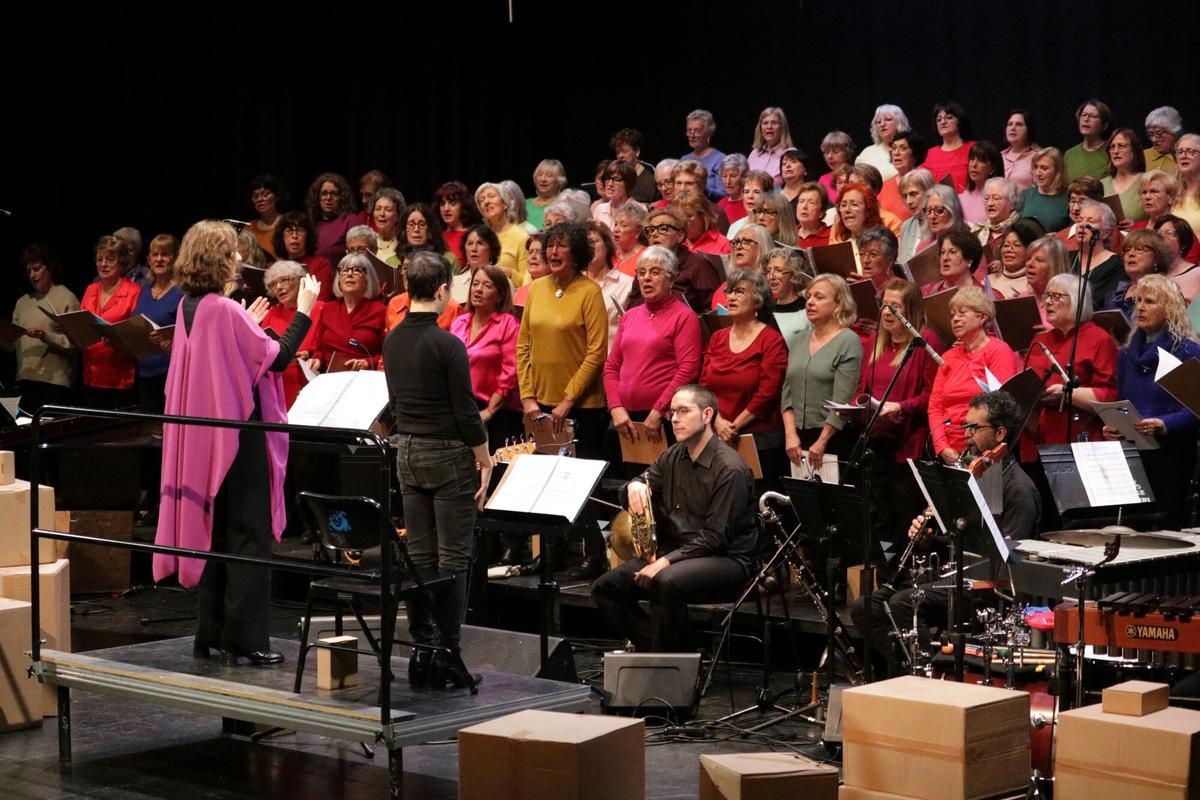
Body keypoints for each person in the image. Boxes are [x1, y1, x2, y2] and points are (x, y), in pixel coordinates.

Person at [154, 220, 319, 666]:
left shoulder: (195, 304)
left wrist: (249, 324)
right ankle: (246, 640)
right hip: (237, 437)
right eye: (231, 253)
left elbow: (227, 358)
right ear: (217, 260)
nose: (237, 260)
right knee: (248, 537)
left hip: (207, 439)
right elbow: (278, 359)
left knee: (217, 534)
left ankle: (211, 635)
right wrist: (304, 310)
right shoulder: (223, 310)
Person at [852, 390, 1040, 675]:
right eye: (966, 426)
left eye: (975, 428)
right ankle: (911, 671)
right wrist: (927, 539)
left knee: (903, 604)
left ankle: (929, 675)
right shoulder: (974, 475)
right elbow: (955, 538)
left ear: (1001, 433)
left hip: (985, 592)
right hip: (954, 580)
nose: (966, 435)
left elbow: (1009, 565)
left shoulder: (1018, 489)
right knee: (867, 607)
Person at [382, 251, 490, 688]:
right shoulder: (449, 344)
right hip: (447, 454)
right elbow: (466, 411)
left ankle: (422, 651)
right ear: (443, 291)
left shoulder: (392, 339)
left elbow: (394, 402)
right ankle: (448, 653)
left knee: (421, 558)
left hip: (406, 451)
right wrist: (483, 459)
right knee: (454, 560)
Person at [591, 384, 755, 652]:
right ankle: (676, 653)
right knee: (606, 588)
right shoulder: (674, 455)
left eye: (683, 411)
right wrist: (633, 486)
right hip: (679, 552)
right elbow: (642, 481)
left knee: (666, 581)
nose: (675, 419)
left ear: (707, 415)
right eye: (672, 412)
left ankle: (667, 658)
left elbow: (715, 538)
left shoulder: (730, 469)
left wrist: (665, 562)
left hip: (726, 560)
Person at [517, 222, 609, 578]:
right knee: (547, 484)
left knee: (580, 485)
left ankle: (593, 554)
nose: (552, 252)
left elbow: (596, 352)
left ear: (577, 253)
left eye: (561, 246)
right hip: (539, 407)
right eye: (549, 246)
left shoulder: (589, 292)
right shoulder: (537, 289)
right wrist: (528, 397)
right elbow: (523, 346)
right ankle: (551, 554)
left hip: (580, 409)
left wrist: (568, 400)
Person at [1105, 274, 1200, 527]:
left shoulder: (1188, 351)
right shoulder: (1126, 354)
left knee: (1166, 526)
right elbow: (1121, 400)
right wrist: (1115, 424)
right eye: (1138, 301)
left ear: (1169, 309)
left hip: (1173, 454)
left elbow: (1196, 409)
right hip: (1135, 452)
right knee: (1131, 526)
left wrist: (1165, 423)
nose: (1140, 307)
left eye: (1150, 301)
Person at [857, 278, 941, 546]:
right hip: (876, 439)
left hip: (908, 444)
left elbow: (932, 394)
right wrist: (854, 406)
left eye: (895, 306)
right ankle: (885, 571)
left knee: (905, 515)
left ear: (910, 312)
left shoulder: (924, 341)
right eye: (884, 305)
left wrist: (901, 407)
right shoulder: (875, 341)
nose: (887, 312)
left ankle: (905, 579)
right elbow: (862, 388)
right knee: (880, 516)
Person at [604, 246, 702, 450]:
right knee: (629, 481)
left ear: (672, 280)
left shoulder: (684, 317)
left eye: (655, 272)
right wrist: (615, 407)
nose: (646, 278)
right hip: (625, 419)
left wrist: (658, 410)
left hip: (662, 419)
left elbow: (688, 370)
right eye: (641, 272)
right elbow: (612, 367)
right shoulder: (630, 315)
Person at [701, 269, 788, 483]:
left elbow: (768, 392)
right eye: (730, 292)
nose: (730, 297)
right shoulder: (718, 338)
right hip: (716, 433)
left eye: (739, 292)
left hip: (758, 438)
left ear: (757, 301)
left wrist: (734, 426)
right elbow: (704, 385)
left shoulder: (771, 340)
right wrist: (718, 422)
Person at [1023, 273, 1118, 463]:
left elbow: (1109, 396)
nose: (1048, 302)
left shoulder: (1098, 339)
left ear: (1077, 300)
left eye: (1056, 296)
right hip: (1036, 437)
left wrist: (1067, 393)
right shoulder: (1040, 340)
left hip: (1079, 437)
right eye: (1047, 296)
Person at [781, 273, 863, 471]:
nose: (810, 302)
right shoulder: (799, 340)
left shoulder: (848, 341)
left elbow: (842, 402)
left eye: (819, 297)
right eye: (809, 296)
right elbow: (787, 394)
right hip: (796, 440)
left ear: (838, 304)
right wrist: (790, 435)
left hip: (832, 438)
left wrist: (822, 441)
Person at [928, 289, 1019, 463]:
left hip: (983, 450)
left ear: (982, 316)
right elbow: (935, 407)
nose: (955, 319)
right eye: (952, 315)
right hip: (949, 449)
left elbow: (1000, 409)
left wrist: (974, 450)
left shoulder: (999, 352)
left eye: (962, 313)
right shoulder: (948, 357)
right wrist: (941, 447)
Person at [11, 244, 79, 412]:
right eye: (29, 271)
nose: (32, 275)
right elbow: (13, 343)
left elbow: (76, 344)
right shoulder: (22, 302)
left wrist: (45, 336)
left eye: (36, 269)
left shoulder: (66, 298)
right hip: (26, 379)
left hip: (54, 382)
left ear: (49, 268)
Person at [81, 235, 142, 408]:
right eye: (99, 259)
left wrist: (116, 339)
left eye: (110, 259)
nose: (103, 264)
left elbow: (136, 335)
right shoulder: (90, 289)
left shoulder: (134, 291)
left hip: (119, 376)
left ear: (122, 263)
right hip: (91, 373)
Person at [299, 253, 387, 372]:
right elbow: (319, 349)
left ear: (368, 279)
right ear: (338, 279)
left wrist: (368, 363)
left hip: (365, 377)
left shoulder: (380, 310)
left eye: (357, 270)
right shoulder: (328, 308)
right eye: (344, 270)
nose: (349, 274)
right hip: (330, 377)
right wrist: (317, 360)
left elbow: (389, 354)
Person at [635, 207, 723, 310]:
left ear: (680, 236)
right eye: (650, 230)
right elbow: (633, 303)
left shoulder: (698, 265)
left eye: (663, 228)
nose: (654, 234)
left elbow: (716, 309)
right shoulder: (644, 266)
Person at [134, 234, 184, 412]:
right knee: (148, 431)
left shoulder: (183, 291)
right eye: (155, 255)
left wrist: (172, 341)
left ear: (176, 258)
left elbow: (192, 330)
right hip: (145, 371)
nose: (159, 259)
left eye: (165, 254)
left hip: (171, 372)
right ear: (148, 259)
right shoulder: (145, 290)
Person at [260, 260, 320, 408]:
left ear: (300, 281)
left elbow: (325, 347)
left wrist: (314, 355)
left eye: (284, 280)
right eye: (273, 284)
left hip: (309, 380)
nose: (279, 287)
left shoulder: (319, 308)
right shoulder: (271, 313)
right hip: (278, 384)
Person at [584, 222, 635, 350]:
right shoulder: (572, 283)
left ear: (607, 245)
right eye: (584, 243)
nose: (588, 247)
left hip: (610, 362)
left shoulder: (628, 284)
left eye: (593, 241)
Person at [1104, 228, 1171, 318]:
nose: (1131, 254)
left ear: (1157, 258)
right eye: (1127, 250)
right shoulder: (1112, 297)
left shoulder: (1167, 293)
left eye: (1139, 250)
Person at [1073, 200, 1127, 306]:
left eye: (1091, 221)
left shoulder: (1116, 265)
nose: (1082, 225)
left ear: (1106, 232)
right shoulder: (1065, 257)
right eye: (1079, 220)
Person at [475, 182, 530, 286]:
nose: (486, 202)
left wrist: (510, 274)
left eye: (491, 196)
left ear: (505, 204)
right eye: (481, 200)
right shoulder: (480, 237)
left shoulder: (522, 237)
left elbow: (527, 281)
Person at [273, 210, 335, 301]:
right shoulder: (278, 267)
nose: (294, 236)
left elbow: (322, 300)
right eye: (289, 231)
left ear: (307, 236)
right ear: (281, 237)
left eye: (299, 231)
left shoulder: (321, 264)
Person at [306, 172, 359, 267]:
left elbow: (359, 257)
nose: (328, 198)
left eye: (334, 194)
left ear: (342, 197)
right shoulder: (312, 223)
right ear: (317, 197)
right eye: (324, 193)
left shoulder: (351, 221)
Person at [921, 102, 975, 192]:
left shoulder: (974, 148)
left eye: (949, 118)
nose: (943, 122)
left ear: (960, 122)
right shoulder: (929, 154)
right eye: (939, 120)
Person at [766, 248, 812, 348]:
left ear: (794, 276)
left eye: (778, 270)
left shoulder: (809, 308)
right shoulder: (765, 311)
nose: (771, 276)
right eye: (769, 271)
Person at [974, 177, 1024, 268]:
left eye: (996, 198)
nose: (990, 203)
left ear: (1012, 203)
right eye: (986, 198)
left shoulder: (1020, 231)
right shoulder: (978, 231)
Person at [990, 218, 1046, 299]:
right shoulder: (988, 281)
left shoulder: (1033, 285)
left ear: (1029, 251)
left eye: (1016, 245)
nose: (1009, 250)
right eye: (1006, 245)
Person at [1019, 147, 1071, 233]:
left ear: (1057, 171)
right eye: (1035, 167)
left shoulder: (1067, 198)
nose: (1038, 173)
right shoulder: (1026, 195)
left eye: (1044, 168)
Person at [879, 130, 927, 221]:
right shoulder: (883, 187)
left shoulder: (926, 182)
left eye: (903, 148)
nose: (896, 153)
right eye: (894, 148)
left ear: (915, 154)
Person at [1102, 128, 1148, 223]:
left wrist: (1137, 227)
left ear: (1134, 151)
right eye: (1112, 147)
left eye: (1122, 146)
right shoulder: (1102, 185)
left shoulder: (1147, 181)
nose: (1115, 151)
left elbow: (1158, 219)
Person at [680, 109, 726, 200]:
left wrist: (702, 188)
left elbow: (724, 195)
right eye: (689, 130)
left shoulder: (720, 159)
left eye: (697, 130)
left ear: (709, 133)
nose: (692, 135)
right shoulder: (684, 159)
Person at [1152, 214, 1200, 301]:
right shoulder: (1151, 273)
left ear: (1184, 243)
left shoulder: (1197, 274)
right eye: (1158, 233)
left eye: (1169, 233)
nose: (1161, 236)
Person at [857, 104, 910, 181]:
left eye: (888, 119)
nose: (882, 124)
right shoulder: (866, 154)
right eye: (878, 122)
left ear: (899, 123)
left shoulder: (910, 149)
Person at [1065, 99, 1114, 181]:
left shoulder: (1112, 152)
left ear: (1104, 125)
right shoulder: (1069, 154)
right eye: (1083, 115)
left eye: (1093, 116)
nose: (1086, 119)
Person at [958, 141, 1005, 225]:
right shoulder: (961, 198)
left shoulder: (1001, 199)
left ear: (993, 168)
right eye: (972, 159)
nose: (974, 164)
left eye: (981, 160)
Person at [434, 180, 481, 261]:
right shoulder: (436, 237)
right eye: (442, 204)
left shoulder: (474, 236)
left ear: (463, 205)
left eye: (452, 203)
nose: (446, 209)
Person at [747, 106, 793, 185]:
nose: (769, 127)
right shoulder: (754, 154)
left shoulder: (791, 154)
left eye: (774, 123)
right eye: (765, 123)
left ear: (782, 127)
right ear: (760, 128)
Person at [609, 129, 657, 204]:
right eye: (618, 152)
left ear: (637, 151)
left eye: (625, 151)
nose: (620, 156)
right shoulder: (615, 175)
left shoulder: (651, 174)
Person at [896, 168, 935, 263]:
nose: (908, 201)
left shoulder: (940, 221)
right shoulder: (906, 226)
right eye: (905, 196)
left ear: (928, 191)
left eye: (913, 194)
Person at [246, 174, 287, 261]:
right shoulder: (248, 227)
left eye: (265, 194)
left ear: (277, 196)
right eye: (255, 196)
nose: (260, 199)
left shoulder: (288, 223)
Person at [1001, 109, 1040, 193]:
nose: (1013, 128)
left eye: (1019, 124)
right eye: (1010, 124)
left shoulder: (1039, 156)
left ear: (1029, 129)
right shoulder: (1000, 157)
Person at [527, 159, 567, 230]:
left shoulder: (565, 205)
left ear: (559, 181)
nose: (543, 179)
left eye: (549, 175)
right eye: (540, 174)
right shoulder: (524, 204)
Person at [370, 187, 406, 263]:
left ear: (398, 215)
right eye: (378, 209)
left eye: (388, 210)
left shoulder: (404, 243)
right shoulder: (368, 241)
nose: (382, 214)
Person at [818, 131, 856, 203]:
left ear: (847, 153)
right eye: (827, 152)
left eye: (835, 152)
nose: (829, 156)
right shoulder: (823, 180)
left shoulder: (857, 175)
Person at [612, 203, 648, 276]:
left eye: (623, 225)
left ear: (638, 231)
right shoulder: (611, 254)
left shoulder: (646, 257)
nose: (616, 229)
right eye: (616, 224)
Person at [1144, 106, 1183, 174]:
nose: (1154, 139)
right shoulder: (1142, 156)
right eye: (1150, 134)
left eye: (1159, 133)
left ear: (1174, 132)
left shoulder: (1184, 157)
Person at [795, 181, 833, 248]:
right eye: (801, 201)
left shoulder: (831, 236)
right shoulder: (789, 234)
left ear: (822, 211)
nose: (804, 206)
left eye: (811, 203)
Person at [717, 154, 750, 225]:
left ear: (744, 177)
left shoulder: (750, 203)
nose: (728, 181)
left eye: (733, 176)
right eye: (724, 176)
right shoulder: (721, 204)